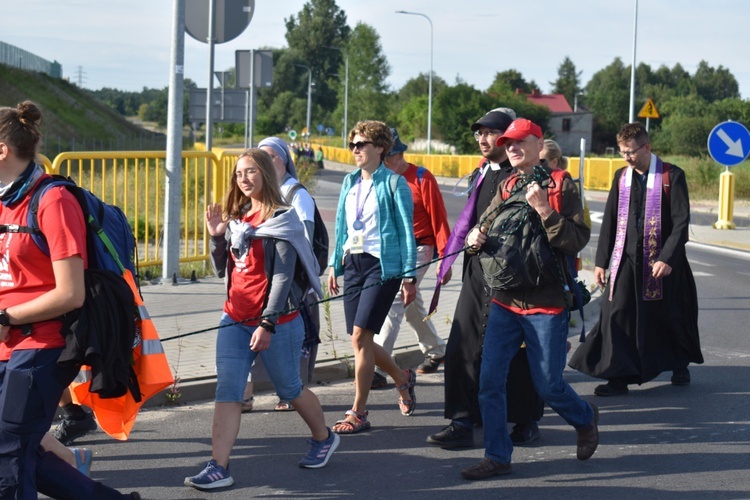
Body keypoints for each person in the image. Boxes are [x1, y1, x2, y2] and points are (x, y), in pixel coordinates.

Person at [0, 101, 140, 498]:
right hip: (9, 342)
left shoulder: (53, 200)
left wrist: (5, 316)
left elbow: (70, 293)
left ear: (2, 150)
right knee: (21, 451)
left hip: (44, 344)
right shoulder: (5, 199)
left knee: (9, 458)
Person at [185, 148, 339, 491]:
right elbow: (221, 269)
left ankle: (323, 436)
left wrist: (267, 323)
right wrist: (215, 236)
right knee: (228, 389)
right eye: (239, 173)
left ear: (266, 174)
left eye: (251, 171)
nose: (244, 179)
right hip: (234, 319)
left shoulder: (282, 218)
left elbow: (283, 278)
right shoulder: (238, 217)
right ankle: (218, 467)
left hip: (277, 324)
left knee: (289, 389)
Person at [461, 118, 598, 480]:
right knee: (489, 382)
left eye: (521, 141)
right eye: (508, 143)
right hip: (505, 300)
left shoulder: (560, 184)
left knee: (548, 384)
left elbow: (576, 239)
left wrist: (544, 210)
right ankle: (497, 455)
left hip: (546, 304)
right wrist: (475, 236)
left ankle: (584, 418)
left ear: (540, 145)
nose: (512, 148)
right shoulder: (506, 184)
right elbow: (486, 223)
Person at [426, 108, 545, 450]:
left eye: (490, 133)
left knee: (516, 353)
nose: (482, 139)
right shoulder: (483, 173)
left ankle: (525, 420)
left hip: (516, 277)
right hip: (478, 273)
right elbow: (468, 220)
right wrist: (456, 250)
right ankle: (462, 419)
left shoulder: (522, 175)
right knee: (462, 344)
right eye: (479, 133)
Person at [568, 122, 703, 396]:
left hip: (664, 262)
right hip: (626, 259)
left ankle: (679, 364)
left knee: (671, 315)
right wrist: (601, 262)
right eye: (622, 152)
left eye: (630, 151)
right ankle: (618, 377)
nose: (626, 157)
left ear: (647, 147)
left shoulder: (672, 176)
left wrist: (667, 258)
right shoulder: (621, 177)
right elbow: (610, 221)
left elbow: (681, 222)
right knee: (616, 314)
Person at [327, 120, 417, 434]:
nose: (355, 150)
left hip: (383, 265)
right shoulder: (350, 182)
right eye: (352, 144)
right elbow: (342, 226)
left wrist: (409, 276)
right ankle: (403, 378)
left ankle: (358, 412)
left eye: (361, 144)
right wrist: (334, 264)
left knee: (358, 337)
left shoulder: (394, 183)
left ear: (379, 147)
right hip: (353, 262)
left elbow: (407, 231)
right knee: (360, 339)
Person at [240, 136, 322, 413]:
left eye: (272, 156)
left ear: (285, 159)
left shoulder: (296, 193)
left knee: (287, 344)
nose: (266, 162)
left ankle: (292, 392)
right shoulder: (255, 196)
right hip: (256, 285)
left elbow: (305, 240)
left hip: (289, 286)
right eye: (261, 157)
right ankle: (245, 393)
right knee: (247, 337)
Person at [370, 128, 451, 388]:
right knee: (411, 304)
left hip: (420, 248)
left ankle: (378, 367)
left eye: (387, 157)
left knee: (395, 300)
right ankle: (437, 350)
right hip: (392, 250)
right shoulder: (380, 178)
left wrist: (445, 258)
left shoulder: (421, 178)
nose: (383, 163)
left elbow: (439, 218)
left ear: (399, 153)